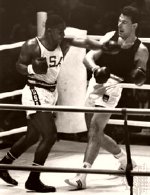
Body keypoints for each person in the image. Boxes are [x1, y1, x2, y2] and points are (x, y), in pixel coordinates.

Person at [0, 14, 119, 192]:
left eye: (63, 31)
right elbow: (19, 66)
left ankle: (4, 164)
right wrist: (32, 68)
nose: (62, 35)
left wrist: (103, 47)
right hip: (35, 91)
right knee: (50, 136)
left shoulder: (63, 42)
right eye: (59, 32)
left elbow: (85, 42)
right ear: (48, 31)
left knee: (32, 136)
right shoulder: (32, 45)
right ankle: (33, 178)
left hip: (50, 92)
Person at [65, 5, 149, 189]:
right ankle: (125, 160)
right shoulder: (110, 36)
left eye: (125, 22)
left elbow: (140, 79)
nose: (120, 25)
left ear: (134, 25)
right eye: (119, 20)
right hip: (95, 82)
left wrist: (139, 76)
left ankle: (82, 176)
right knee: (94, 132)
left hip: (112, 87)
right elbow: (88, 57)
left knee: (95, 129)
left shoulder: (140, 49)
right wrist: (95, 68)